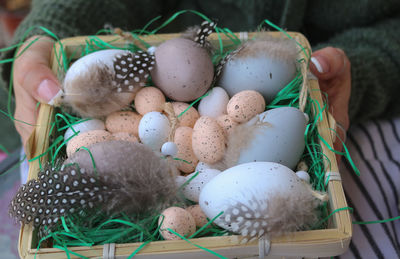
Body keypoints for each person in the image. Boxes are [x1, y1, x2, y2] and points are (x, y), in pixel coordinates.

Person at [1, 1, 399, 258]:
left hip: (356, 115)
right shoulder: (165, 114)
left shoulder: (203, 126)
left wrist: (361, 70)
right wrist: (40, 38)